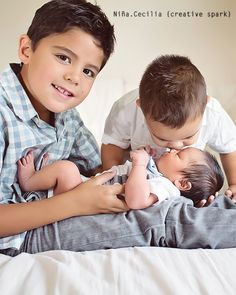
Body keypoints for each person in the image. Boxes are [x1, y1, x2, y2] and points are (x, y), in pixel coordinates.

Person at [0, 0, 128, 253]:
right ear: (26, 49)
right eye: (63, 57)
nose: (75, 77)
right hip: (16, 239)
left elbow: (98, 170)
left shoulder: (67, 118)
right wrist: (74, 203)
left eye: (89, 72)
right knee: (160, 226)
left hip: (59, 220)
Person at [101, 55, 236, 205]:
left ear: (204, 107)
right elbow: (112, 145)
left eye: (188, 137)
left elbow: (230, 147)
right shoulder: (126, 109)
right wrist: (113, 181)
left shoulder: (212, 113)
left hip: (177, 184)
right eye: (163, 139)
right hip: (135, 178)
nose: (176, 146)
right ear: (142, 110)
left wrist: (234, 183)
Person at [17, 146, 224, 209]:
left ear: (182, 183)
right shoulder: (159, 176)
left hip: (84, 202)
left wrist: (141, 165)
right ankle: (41, 186)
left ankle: (29, 182)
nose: (172, 149)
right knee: (68, 171)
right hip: (86, 191)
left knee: (67, 170)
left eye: (179, 155)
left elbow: (137, 200)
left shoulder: (166, 188)